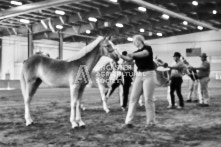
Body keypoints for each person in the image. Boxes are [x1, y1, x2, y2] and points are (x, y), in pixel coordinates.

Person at [112, 35, 156, 128]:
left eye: (134, 41)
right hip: (139, 75)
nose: (133, 43)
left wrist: (132, 54)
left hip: (149, 74)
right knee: (133, 98)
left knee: (148, 99)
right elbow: (128, 59)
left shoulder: (147, 48)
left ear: (140, 40)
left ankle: (151, 122)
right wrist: (119, 55)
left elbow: (144, 54)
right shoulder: (135, 52)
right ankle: (128, 122)